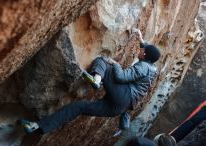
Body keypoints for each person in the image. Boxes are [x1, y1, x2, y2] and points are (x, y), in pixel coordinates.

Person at [20, 29, 161, 135]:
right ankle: (38, 127)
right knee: (78, 107)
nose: (140, 49)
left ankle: (97, 79)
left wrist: (115, 63)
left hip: (123, 95)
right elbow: (150, 51)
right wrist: (141, 39)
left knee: (103, 62)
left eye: (142, 49)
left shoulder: (143, 67)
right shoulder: (152, 67)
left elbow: (121, 77)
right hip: (118, 108)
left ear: (144, 54)